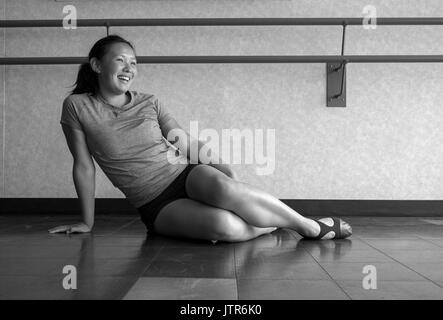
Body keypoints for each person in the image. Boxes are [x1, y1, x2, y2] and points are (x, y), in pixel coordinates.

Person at [49, 35, 352, 242]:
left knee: (224, 187)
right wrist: (87, 223)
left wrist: (226, 171)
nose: (129, 68)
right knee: (224, 226)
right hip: (153, 202)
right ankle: (270, 224)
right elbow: (84, 166)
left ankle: (308, 227)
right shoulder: (76, 106)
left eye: (134, 62)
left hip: (184, 174)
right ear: (97, 65)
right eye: (121, 61)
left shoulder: (149, 101)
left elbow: (186, 143)